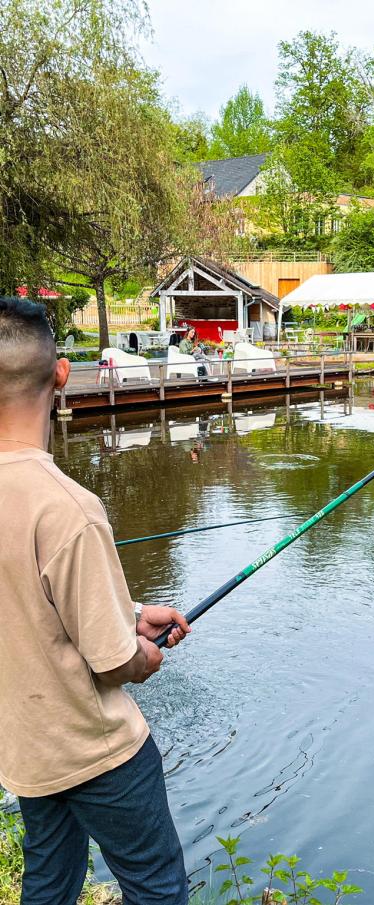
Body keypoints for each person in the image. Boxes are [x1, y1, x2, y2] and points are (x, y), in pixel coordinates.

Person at [0, 297, 191, 905]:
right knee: (158, 891)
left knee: (49, 888)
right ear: (61, 375)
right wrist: (144, 652)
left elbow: (25, 604)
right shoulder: (68, 506)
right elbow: (114, 664)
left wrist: (130, 614)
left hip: (28, 750)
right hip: (97, 751)